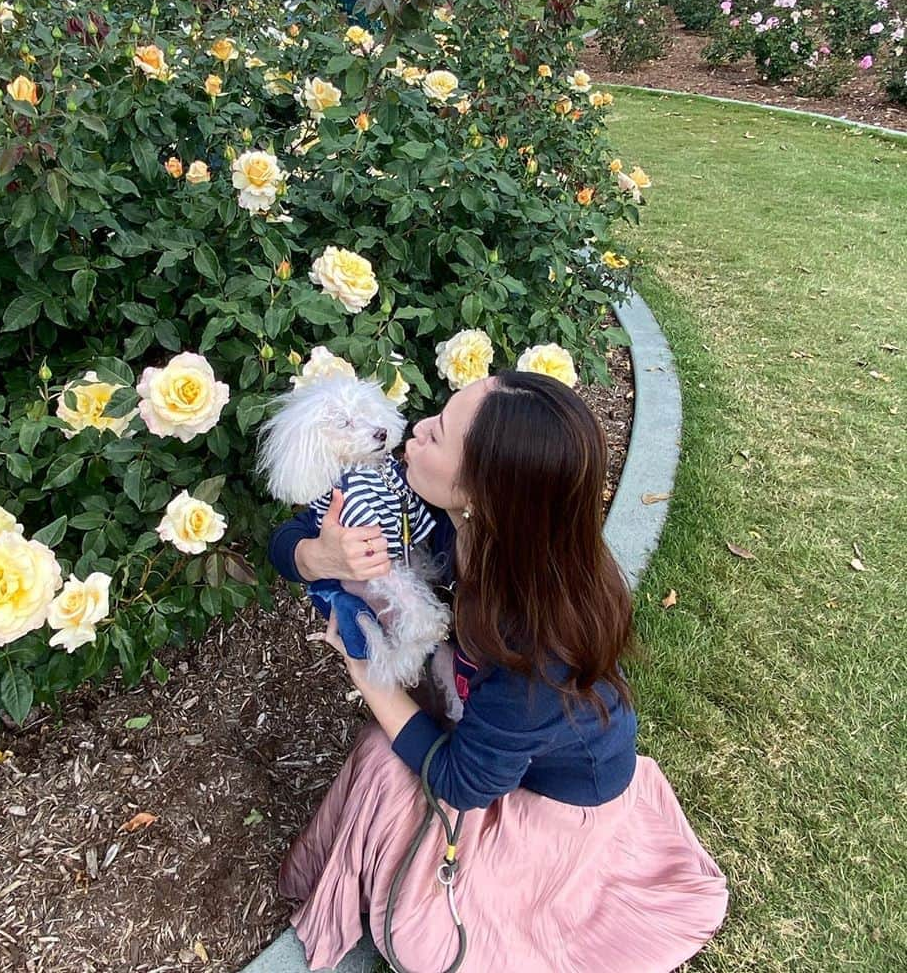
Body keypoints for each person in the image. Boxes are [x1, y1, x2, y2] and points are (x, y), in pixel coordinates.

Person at [269, 371, 728, 972]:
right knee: (391, 743)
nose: (417, 429)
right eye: (439, 414)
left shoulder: (537, 655)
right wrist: (316, 556)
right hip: (512, 736)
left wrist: (369, 672)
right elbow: (295, 536)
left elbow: (463, 784)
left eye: (439, 435)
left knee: (385, 757)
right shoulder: (467, 526)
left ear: (481, 489)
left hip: (552, 798)